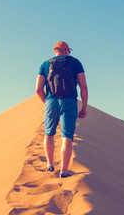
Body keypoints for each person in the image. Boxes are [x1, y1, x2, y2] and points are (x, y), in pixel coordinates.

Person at [36, 41, 88, 178]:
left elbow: (38, 89)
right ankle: (64, 172)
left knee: (49, 134)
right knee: (67, 137)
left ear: (55, 51)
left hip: (51, 101)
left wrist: (47, 102)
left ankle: (50, 165)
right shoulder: (75, 63)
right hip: (69, 101)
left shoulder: (45, 64)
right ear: (66, 50)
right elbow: (84, 87)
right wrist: (84, 107)